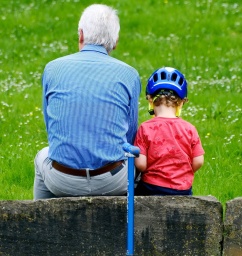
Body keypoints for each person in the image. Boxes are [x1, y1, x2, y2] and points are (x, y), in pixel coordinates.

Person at [33, 4, 141, 200]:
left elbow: (52, 130)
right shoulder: (129, 74)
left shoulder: (52, 69)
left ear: (80, 35)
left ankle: (41, 224)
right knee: (140, 162)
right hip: (112, 180)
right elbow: (131, 136)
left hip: (62, 179)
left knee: (42, 156)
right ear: (115, 42)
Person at [134, 67, 204, 196]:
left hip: (152, 188)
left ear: (150, 99)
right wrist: (183, 173)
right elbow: (199, 161)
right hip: (183, 189)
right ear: (181, 102)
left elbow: (141, 164)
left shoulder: (145, 128)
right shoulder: (189, 129)